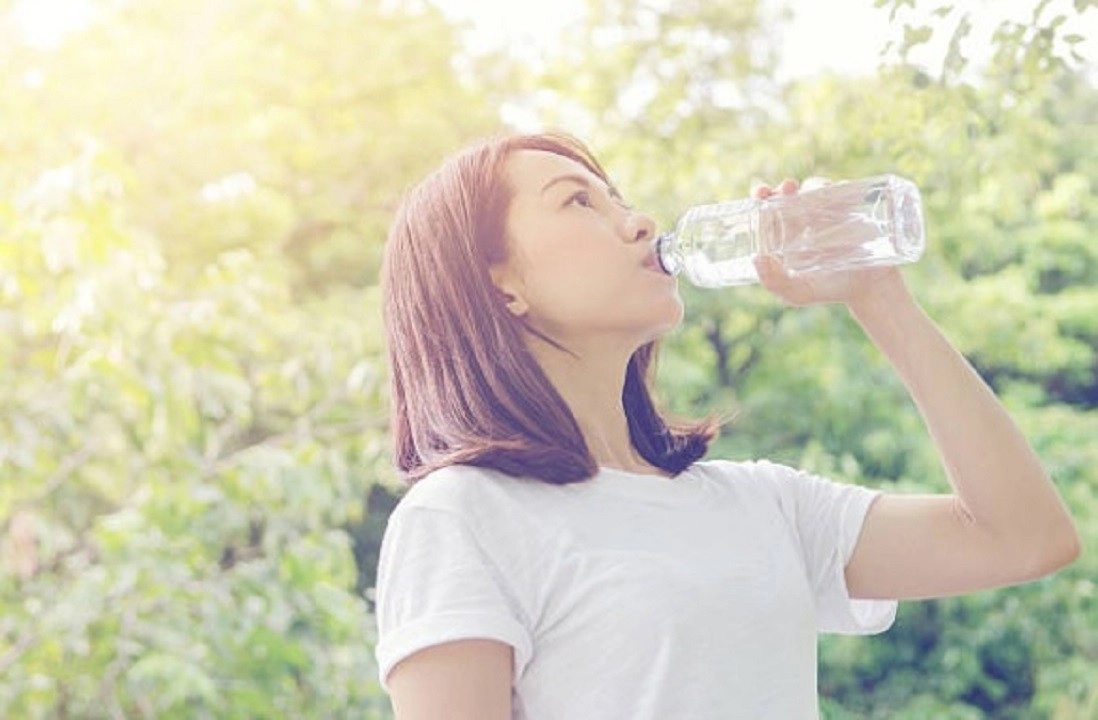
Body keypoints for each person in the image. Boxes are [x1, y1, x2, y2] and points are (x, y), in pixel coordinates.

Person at [374, 131, 1080, 719]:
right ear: (501, 282)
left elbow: (1023, 538)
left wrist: (877, 293)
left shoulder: (760, 503)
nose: (639, 221)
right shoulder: (464, 516)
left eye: (617, 197)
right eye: (578, 202)